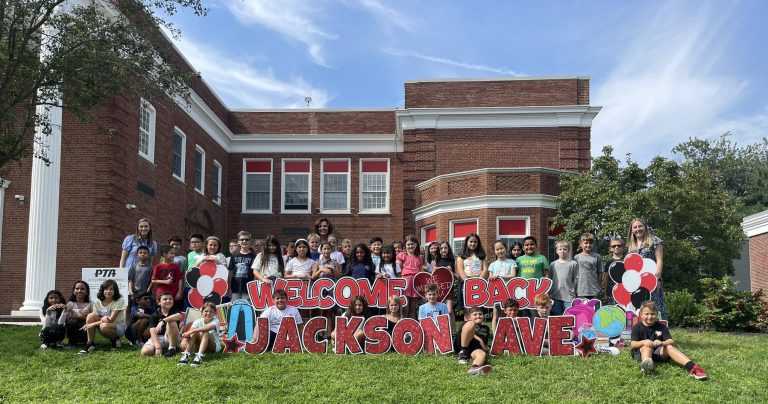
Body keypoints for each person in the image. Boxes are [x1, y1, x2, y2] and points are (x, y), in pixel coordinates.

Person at [631, 301, 708, 380]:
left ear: (657, 314)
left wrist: (662, 343)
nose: (650, 316)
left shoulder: (662, 327)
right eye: (646, 314)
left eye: (652, 314)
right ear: (641, 315)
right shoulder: (637, 327)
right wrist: (644, 342)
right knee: (646, 347)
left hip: (658, 354)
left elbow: (671, 341)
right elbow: (633, 344)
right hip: (642, 353)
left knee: (669, 347)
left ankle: (693, 368)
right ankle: (646, 367)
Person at [628, 218, 668, 320]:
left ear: (645, 227)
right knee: (638, 304)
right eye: (635, 227)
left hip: (651, 279)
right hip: (636, 281)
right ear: (631, 230)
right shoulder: (631, 245)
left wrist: (657, 278)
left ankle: (658, 330)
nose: (638, 229)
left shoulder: (655, 241)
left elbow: (659, 261)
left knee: (653, 305)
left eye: (640, 226)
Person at [79, 280, 127, 353]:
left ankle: (116, 340)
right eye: (106, 289)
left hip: (117, 328)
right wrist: (101, 319)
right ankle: (90, 343)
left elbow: (110, 320)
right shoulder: (97, 302)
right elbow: (94, 317)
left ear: (115, 290)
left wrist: (91, 324)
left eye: (111, 289)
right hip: (102, 326)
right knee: (90, 316)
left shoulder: (119, 301)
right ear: (102, 290)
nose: (108, 291)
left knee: (104, 326)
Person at [178, 302, 222, 367]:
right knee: (195, 332)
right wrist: (184, 339)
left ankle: (199, 356)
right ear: (202, 313)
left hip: (213, 346)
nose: (208, 313)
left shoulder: (216, 320)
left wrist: (192, 331)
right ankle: (186, 354)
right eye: (206, 311)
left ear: (215, 313)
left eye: (211, 312)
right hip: (199, 345)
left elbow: (208, 328)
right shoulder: (197, 321)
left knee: (206, 332)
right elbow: (190, 332)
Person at [456, 233, 489, 319]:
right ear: (467, 242)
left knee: (478, 307)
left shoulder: (481, 255)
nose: (473, 244)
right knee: (467, 307)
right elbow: (460, 270)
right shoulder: (461, 256)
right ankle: (467, 326)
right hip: (466, 283)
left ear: (478, 243)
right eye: (471, 241)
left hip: (479, 283)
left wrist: (479, 280)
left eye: (475, 242)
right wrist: (467, 281)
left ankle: (478, 329)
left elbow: (485, 269)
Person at [141, 291, 182, 357]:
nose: (168, 301)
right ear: (158, 302)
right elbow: (153, 332)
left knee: (172, 322)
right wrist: (157, 347)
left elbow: (179, 316)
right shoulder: (154, 315)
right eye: (165, 299)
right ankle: (163, 348)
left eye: (170, 299)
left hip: (172, 338)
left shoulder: (175, 311)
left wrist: (163, 321)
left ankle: (172, 348)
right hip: (159, 337)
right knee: (145, 351)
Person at [488, 240, 517, 332]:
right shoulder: (492, 265)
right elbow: (490, 278)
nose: (500, 251)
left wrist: (500, 277)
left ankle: (508, 332)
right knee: (496, 314)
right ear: (494, 251)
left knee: (508, 313)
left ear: (505, 249)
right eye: (497, 249)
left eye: (501, 248)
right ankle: (496, 333)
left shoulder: (511, 262)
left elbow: (513, 275)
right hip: (496, 293)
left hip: (509, 291)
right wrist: (492, 278)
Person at [455, 306, 491, 375]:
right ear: (469, 317)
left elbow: (484, 341)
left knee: (481, 354)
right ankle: (463, 352)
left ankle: (474, 368)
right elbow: (470, 334)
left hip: (474, 348)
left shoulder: (486, 328)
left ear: (483, 316)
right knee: (471, 324)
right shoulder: (466, 323)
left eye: (480, 314)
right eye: (475, 314)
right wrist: (480, 341)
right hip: (463, 345)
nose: (478, 316)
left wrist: (486, 346)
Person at [397, 235, 426, 319]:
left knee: (413, 308)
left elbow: (421, 272)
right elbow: (398, 271)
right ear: (405, 245)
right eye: (408, 244)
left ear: (416, 245)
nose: (410, 246)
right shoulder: (401, 255)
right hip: (405, 283)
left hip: (415, 284)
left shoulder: (419, 258)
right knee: (405, 307)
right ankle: (403, 326)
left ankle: (411, 328)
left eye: (412, 244)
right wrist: (399, 283)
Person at [150, 244, 184, 310]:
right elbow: (153, 280)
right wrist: (165, 281)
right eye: (171, 253)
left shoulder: (176, 266)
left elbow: (180, 279)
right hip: (161, 293)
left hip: (173, 293)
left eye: (174, 253)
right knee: (161, 311)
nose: (173, 255)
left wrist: (179, 292)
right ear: (164, 254)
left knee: (172, 311)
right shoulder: (158, 266)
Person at [550, 240, 578, 316]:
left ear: (568, 250)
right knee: (557, 317)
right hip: (555, 296)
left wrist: (574, 292)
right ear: (556, 251)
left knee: (569, 317)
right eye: (560, 249)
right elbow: (551, 279)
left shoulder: (573, 264)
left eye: (565, 249)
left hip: (569, 296)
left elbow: (575, 279)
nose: (562, 251)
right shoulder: (553, 264)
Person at [229, 231, 256, 301]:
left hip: (248, 289)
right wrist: (229, 287)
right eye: (242, 239)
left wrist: (253, 288)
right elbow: (230, 272)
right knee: (234, 309)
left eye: (247, 239)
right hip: (235, 288)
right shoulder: (234, 256)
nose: (244, 241)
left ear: (250, 241)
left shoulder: (254, 257)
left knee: (247, 310)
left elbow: (255, 274)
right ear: (238, 242)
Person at [63, 281, 91, 349]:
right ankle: (72, 342)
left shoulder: (91, 304)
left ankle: (88, 342)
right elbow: (63, 319)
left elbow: (94, 318)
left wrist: (79, 316)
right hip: (73, 328)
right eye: (77, 288)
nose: (79, 291)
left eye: (82, 289)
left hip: (85, 327)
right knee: (71, 321)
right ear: (74, 291)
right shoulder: (70, 304)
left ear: (87, 291)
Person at [574, 232, 602, 300]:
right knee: (583, 310)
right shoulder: (577, 257)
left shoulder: (597, 256)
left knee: (595, 310)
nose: (588, 245)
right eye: (586, 243)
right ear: (581, 244)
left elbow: (600, 274)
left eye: (590, 243)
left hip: (595, 291)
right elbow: (575, 275)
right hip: (581, 291)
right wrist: (575, 289)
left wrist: (598, 285)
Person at [436, 241, 457, 331]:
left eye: (445, 248)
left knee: (449, 311)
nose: (443, 250)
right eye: (441, 248)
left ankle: (453, 332)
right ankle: (440, 330)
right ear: (439, 250)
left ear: (449, 249)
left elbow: (457, 277)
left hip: (448, 288)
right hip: (437, 289)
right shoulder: (436, 260)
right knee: (438, 311)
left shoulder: (453, 260)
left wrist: (451, 271)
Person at [604, 237, 626, 305]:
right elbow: (606, 278)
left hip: (625, 292)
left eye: (619, 245)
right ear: (610, 248)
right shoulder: (608, 262)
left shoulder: (627, 260)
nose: (616, 247)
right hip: (611, 292)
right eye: (614, 246)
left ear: (623, 248)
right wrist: (605, 293)